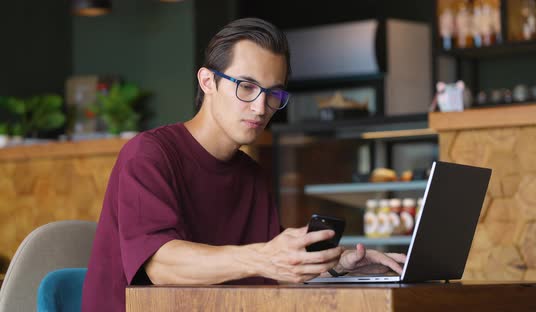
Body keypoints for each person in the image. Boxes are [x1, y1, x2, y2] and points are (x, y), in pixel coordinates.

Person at [81, 17, 406, 312]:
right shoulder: (149, 155)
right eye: (246, 87)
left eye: (273, 94)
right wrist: (263, 257)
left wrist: (338, 265)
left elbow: (273, 274)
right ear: (208, 82)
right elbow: (161, 266)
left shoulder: (251, 175)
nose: (261, 106)